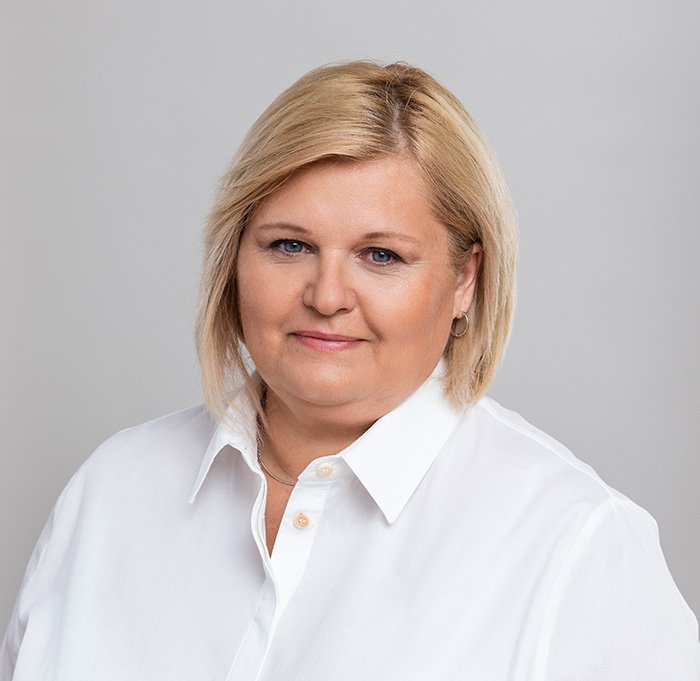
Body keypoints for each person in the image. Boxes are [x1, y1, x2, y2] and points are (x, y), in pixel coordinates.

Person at [1, 61, 698, 681]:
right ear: (234, 257)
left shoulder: (575, 545)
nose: (327, 295)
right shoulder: (111, 490)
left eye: (381, 255)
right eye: (290, 245)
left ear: (464, 279)